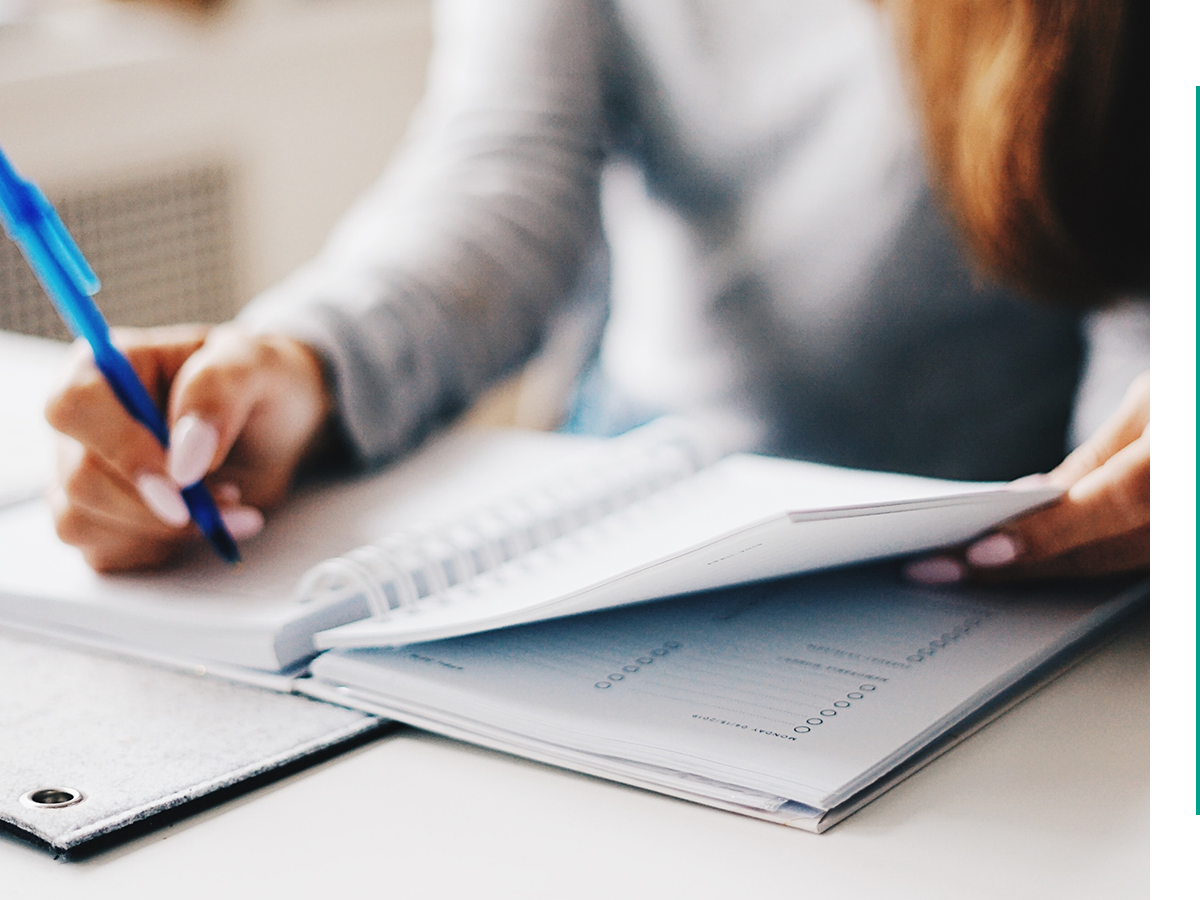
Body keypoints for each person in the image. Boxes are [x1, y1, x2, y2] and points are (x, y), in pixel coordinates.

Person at [44, 0, 1149, 579]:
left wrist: (1128, 473)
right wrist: (299, 363)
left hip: (1007, 532)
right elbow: (506, 173)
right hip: (644, 508)